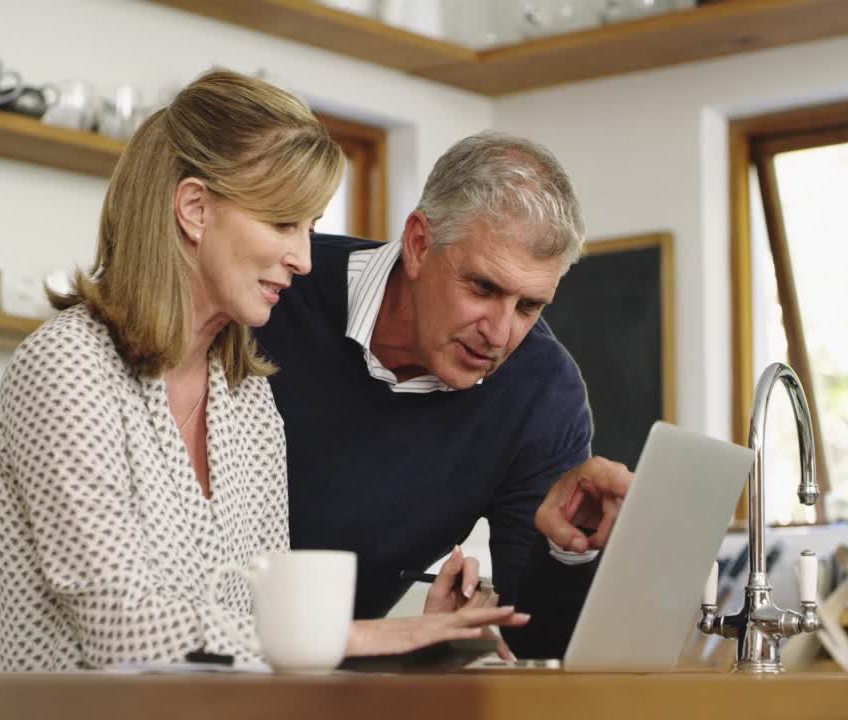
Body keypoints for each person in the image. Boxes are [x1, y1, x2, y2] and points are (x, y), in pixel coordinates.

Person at [0, 71, 526, 672]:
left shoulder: (248, 401)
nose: (304, 259)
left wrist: (414, 639)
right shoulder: (67, 368)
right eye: (284, 223)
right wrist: (363, 637)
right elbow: (119, 627)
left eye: (310, 229)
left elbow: (261, 639)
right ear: (195, 209)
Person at [254, 131, 634, 659]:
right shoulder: (275, 291)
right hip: (172, 658)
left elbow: (537, 644)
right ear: (418, 243)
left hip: (329, 683)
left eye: (529, 307)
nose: (499, 335)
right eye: (482, 288)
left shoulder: (542, 390)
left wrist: (569, 551)